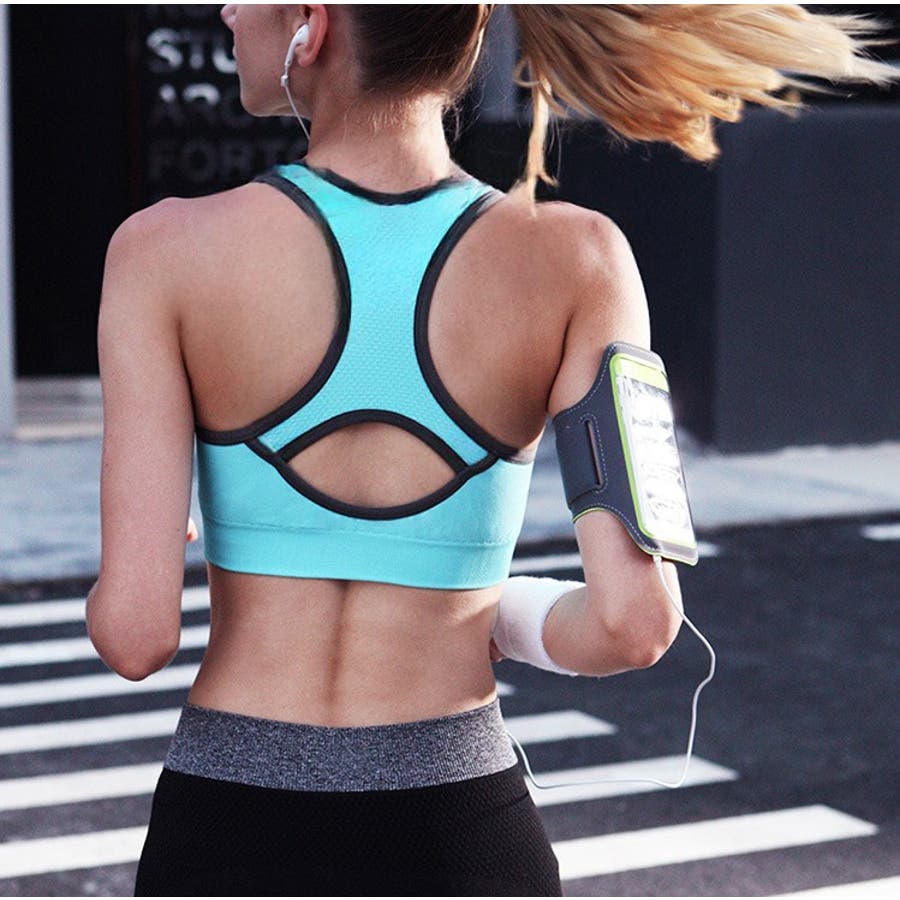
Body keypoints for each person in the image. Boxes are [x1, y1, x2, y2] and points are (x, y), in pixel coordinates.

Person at [85, 4, 896, 895]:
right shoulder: (581, 259)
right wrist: (485, 612)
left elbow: (134, 637)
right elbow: (635, 625)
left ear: (312, 22)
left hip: (228, 835)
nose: (229, 10)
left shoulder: (161, 251)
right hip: (460, 837)